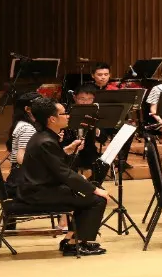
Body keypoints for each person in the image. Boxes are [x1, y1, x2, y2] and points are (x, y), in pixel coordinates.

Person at [17, 98, 110, 256]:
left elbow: (54, 164)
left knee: (86, 195)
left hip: (40, 188)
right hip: (39, 192)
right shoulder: (46, 141)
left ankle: (71, 240)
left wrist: (68, 151)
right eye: (64, 113)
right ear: (52, 119)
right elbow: (63, 173)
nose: (68, 116)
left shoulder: (43, 136)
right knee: (97, 200)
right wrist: (94, 189)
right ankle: (75, 244)